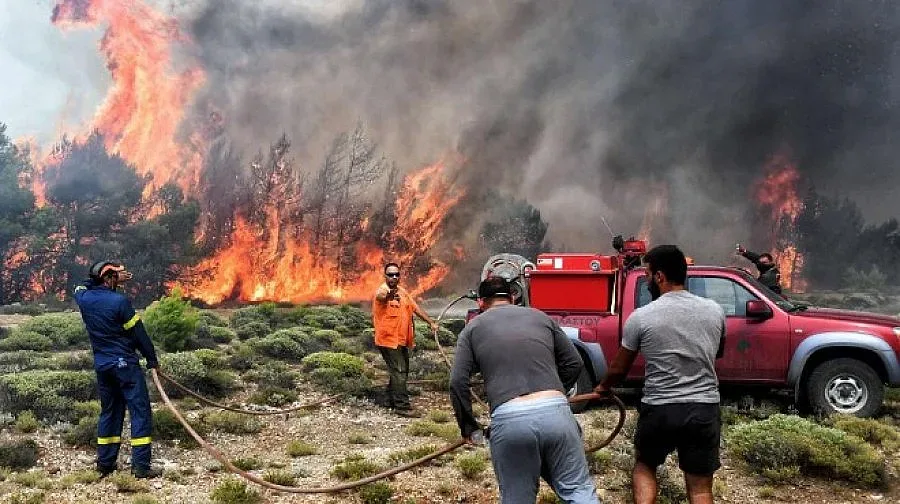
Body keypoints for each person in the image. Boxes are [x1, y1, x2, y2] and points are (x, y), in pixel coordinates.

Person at [595, 245, 726, 504]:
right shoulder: (714, 310)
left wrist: (603, 388)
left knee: (645, 467)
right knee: (700, 488)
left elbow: (619, 368)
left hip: (660, 408)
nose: (645, 279)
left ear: (659, 276)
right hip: (703, 408)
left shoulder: (641, 317)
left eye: (647, 273)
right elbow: (717, 353)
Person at [450, 276, 599, 504]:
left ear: (481, 302)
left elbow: (457, 381)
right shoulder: (540, 317)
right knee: (578, 492)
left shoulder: (472, 329)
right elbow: (574, 363)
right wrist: (557, 392)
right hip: (556, 413)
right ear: (512, 297)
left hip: (510, 419)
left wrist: (470, 428)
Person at [73, 261, 162, 479]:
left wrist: (102, 275)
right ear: (109, 278)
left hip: (103, 366)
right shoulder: (119, 302)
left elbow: (81, 286)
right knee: (140, 411)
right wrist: (152, 360)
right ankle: (140, 466)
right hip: (125, 365)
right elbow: (139, 334)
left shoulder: (84, 299)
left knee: (110, 411)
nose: (119, 281)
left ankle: (105, 464)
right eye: (115, 277)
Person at [372, 262, 438, 417]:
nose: (394, 277)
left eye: (396, 274)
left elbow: (416, 309)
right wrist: (389, 295)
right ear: (385, 276)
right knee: (399, 370)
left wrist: (431, 323)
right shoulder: (382, 290)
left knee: (400, 370)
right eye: (390, 274)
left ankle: (389, 400)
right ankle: (402, 406)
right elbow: (381, 297)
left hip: (401, 340)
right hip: (388, 340)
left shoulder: (403, 292)